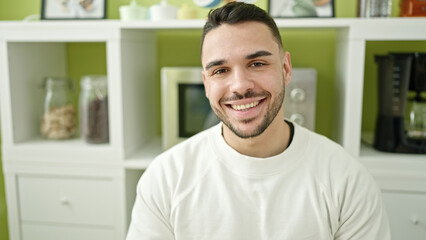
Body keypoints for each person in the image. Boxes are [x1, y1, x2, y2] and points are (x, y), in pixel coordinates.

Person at [126, 2, 391, 239]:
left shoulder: (347, 181)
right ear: (206, 84)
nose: (240, 86)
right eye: (220, 71)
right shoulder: (164, 179)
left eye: (257, 64)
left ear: (286, 69)